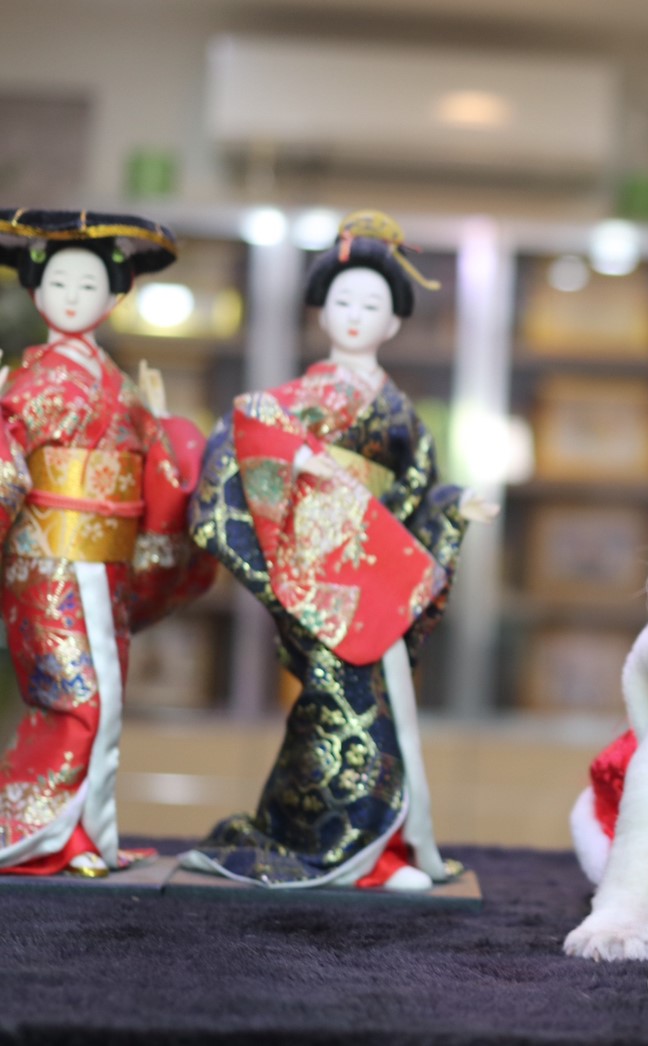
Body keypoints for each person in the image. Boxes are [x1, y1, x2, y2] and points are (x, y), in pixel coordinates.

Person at [179, 211, 496, 890]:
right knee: (345, 701)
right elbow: (241, 444)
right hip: (316, 573)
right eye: (344, 301)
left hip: (376, 568)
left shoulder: (403, 416)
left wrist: (453, 508)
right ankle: (348, 852)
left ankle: (370, 845)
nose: (355, 315)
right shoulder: (288, 401)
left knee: (379, 703)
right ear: (322, 311)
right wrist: (294, 461)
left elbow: (416, 497)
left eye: (371, 306)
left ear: (395, 324)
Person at [0, 208, 213, 876]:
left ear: (116, 297)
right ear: (34, 289)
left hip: (109, 562)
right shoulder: (24, 384)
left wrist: (169, 431)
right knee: (75, 696)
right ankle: (45, 834)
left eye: (89, 285)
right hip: (48, 562)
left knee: (108, 698)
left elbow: (162, 468)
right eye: (59, 283)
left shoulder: (120, 386)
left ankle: (88, 835)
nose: (72, 296)